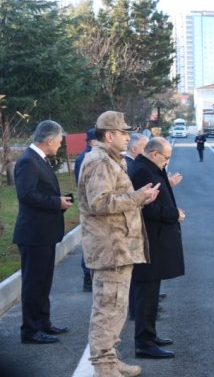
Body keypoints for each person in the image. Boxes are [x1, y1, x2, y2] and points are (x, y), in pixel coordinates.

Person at [78, 111, 160, 377]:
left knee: (117, 309)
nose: (128, 137)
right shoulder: (99, 161)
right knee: (107, 308)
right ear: (109, 135)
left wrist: (140, 198)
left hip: (119, 247)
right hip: (109, 249)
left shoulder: (112, 160)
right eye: (124, 133)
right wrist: (137, 197)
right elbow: (99, 203)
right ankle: (103, 366)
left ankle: (110, 359)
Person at [13, 120, 72, 344]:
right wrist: (55, 202)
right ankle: (30, 330)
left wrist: (57, 201)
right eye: (58, 141)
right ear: (49, 141)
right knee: (33, 283)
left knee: (43, 281)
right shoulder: (28, 161)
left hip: (44, 233)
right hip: (34, 234)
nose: (59, 145)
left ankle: (43, 323)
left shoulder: (40, 159)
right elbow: (26, 195)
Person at [129, 137, 185, 359]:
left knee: (151, 294)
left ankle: (150, 336)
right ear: (154, 154)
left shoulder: (148, 166)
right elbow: (144, 209)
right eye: (166, 157)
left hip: (156, 240)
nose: (167, 162)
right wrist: (174, 214)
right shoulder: (142, 170)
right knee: (146, 295)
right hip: (149, 240)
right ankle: (144, 343)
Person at [75, 128, 96, 292]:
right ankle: (87, 277)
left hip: (89, 204)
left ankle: (89, 277)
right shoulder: (87, 157)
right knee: (90, 242)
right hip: (90, 206)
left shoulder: (86, 155)